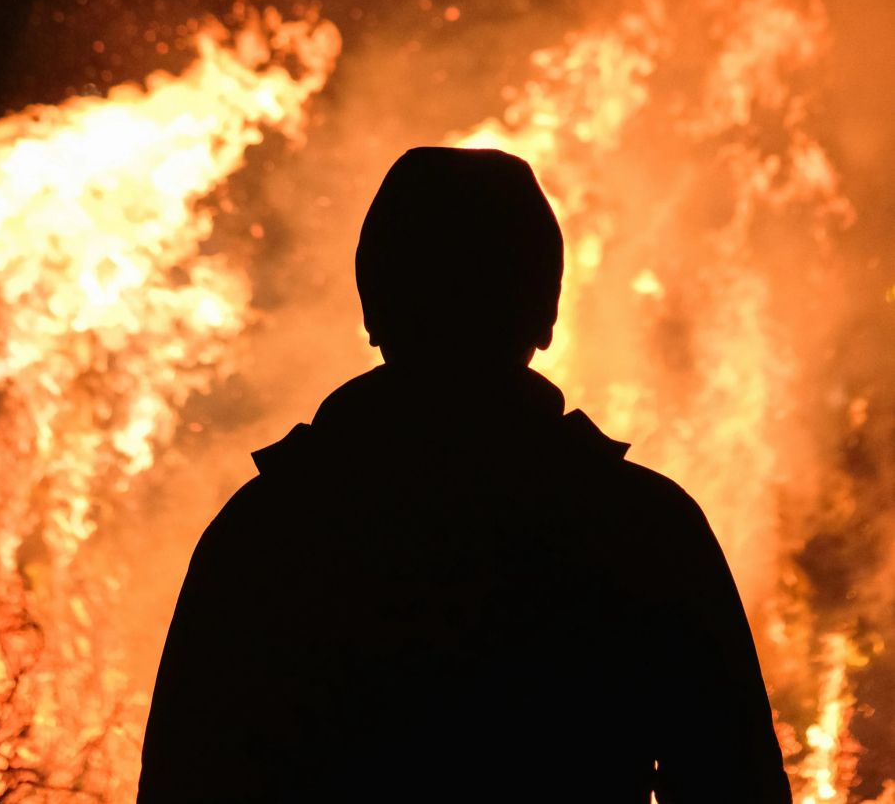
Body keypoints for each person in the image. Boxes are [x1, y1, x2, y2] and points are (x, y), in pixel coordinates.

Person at [138, 147, 792, 803]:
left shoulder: (269, 532)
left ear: (373, 305)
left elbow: (183, 781)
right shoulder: (645, 528)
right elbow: (735, 784)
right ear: (546, 311)